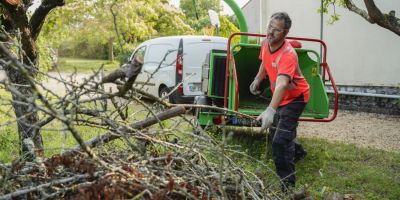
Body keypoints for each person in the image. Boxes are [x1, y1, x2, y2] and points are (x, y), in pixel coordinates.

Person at [249, 12, 309, 192]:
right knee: (279, 133)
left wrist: (270, 110)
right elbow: (264, 63)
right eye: (270, 27)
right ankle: (298, 152)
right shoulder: (266, 43)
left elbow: (283, 84)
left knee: (279, 142)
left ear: (285, 33)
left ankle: (288, 187)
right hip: (281, 97)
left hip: (296, 98)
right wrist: (258, 79)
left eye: (276, 30)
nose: (270, 32)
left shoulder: (288, 54)